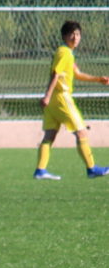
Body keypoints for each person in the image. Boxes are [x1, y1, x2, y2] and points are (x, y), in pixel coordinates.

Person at [35, 20, 109, 180]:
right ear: (64, 36)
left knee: (49, 135)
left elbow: (78, 73)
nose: (75, 37)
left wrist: (98, 79)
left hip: (54, 100)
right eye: (72, 34)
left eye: (78, 34)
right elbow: (56, 73)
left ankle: (40, 170)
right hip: (61, 97)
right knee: (81, 132)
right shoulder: (64, 53)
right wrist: (47, 95)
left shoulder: (66, 53)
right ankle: (92, 168)